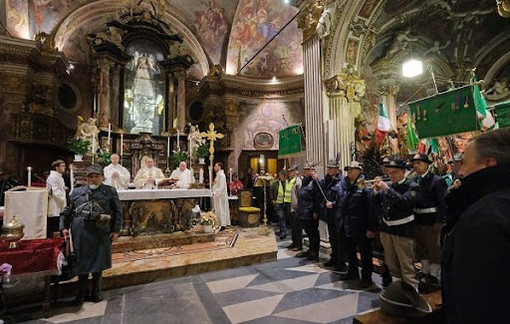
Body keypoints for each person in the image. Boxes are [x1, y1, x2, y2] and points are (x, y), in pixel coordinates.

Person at [442, 128, 510, 324]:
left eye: (465, 163)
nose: (461, 171)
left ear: (489, 164)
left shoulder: (483, 216)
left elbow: (476, 297)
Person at [60, 164, 122, 305]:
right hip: (81, 231)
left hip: (100, 231)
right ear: (86, 179)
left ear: (102, 177)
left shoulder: (110, 191)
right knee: (81, 261)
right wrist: (63, 227)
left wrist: (116, 230)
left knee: (98, 261)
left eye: (96, 176)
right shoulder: (77, 192)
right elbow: (68, 210)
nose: (93, 180)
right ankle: (81, 292)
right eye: (90, 177)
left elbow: (118, 212)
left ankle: (96, 290)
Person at [372, 159, 419, 289]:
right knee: (391, 263)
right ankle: (397, 290)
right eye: (390, 173)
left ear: (403, 172)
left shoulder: (412, 186)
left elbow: (405, 202)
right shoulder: (390, 186)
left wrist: (387, 190)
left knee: (406, 265)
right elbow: (377, 203)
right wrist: (376, 191)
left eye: (395, 172)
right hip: (387, 230)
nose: (392, 175)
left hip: (402, 231)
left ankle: (412, 294)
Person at [409, 153, 447, 289]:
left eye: (418, 163)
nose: (415, 166)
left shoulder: (436, 180)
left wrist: (439, 221)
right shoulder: (414, 180)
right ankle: (424, 271)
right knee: (421, 248)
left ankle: (434, 274)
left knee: (433, 249)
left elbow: (442, 203)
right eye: (414, 163)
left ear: (426, 164)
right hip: (419, 220)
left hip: (432, 221)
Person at [340, 161, 377, 288]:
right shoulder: (347, 185)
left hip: (361, 225)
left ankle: (367, 277)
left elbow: (371, 208)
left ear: (359, 171)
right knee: (350, 250)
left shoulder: (362, 186)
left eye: (351, 169)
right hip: (349, 224)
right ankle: (353, 272)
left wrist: (371, 228)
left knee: (365, 253)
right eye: (348, 170)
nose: (348, 172)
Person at [318, 160, 344, 270]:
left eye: (331, 168)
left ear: (337, 169)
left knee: (339, 239)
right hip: (329, 214)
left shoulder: (341, 181)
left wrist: (333, 204)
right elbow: (321, 186)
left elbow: (342, 198)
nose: (328, 170)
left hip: (338, 215)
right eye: (328, 168)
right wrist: (316, 178)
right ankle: (334, 258)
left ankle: (341, 261)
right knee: (332, 238)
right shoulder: (329, 180)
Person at [295, 164, 321, 261]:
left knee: (313, 232)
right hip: (303, 211)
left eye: (306, 170)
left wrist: (316, 211)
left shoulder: (315, 182)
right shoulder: (305, 181)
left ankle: (315, 252)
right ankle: (310, 250)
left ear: (311, 171)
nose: (304, 171)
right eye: (304, 169)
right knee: (308, 232)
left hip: (311, 212)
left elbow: (317, 197)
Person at [286, 166, 303, 251]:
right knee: (293, 226)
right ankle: (294, 242)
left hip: (296, 207)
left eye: (290, 172)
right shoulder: (290, 181)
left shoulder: (298, 181)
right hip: (291, 206)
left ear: (295, 172)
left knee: (297, 227)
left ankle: (299, 244)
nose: (289, 173)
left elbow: (299, 195)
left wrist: (298, 207)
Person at [270, 169, 288, 240]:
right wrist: (272, 200)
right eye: (280, 175)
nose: (281, 177)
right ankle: (283, 231)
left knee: (284, 217)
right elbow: (271, 191)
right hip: (278, 202)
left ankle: (282, 230)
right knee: (281, 216)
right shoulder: (275, 183)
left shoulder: (287, 182)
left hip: (286, 202)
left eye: (283, 175)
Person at [212, 162, 230, 231]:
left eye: (215, 166)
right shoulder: (218, 175)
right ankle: (219, 223)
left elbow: (221, 187)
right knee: (218, 209)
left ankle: (223, 224)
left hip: (220, 196)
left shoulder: (222, 175)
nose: (214, 167)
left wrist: (215, 192)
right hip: (217, 196)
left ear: (219, 167)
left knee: (221, 209)